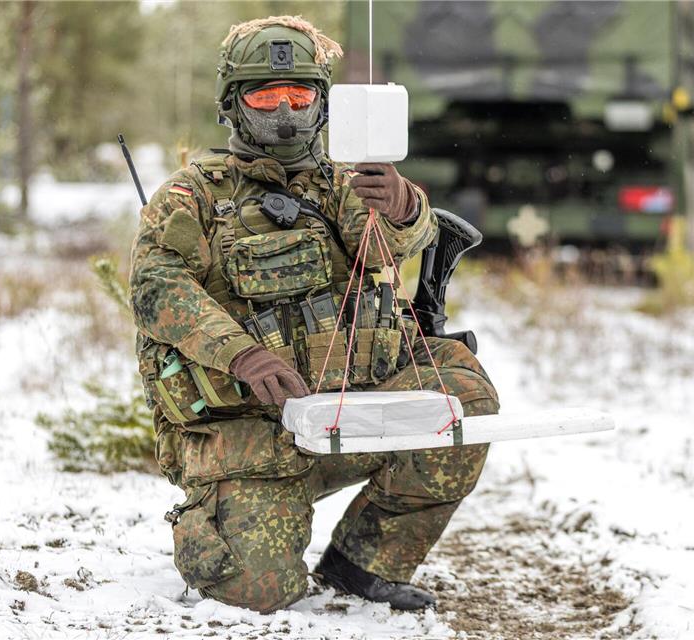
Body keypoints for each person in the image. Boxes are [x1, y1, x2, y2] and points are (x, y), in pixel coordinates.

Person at [129, 15, 499, 614]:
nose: (284, 113)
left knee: (464, 398)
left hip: (351, 414)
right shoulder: (192, 196)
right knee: (258, 592)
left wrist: (403, 205)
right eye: (265, 97)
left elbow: (385, 245)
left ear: (323, 103)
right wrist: (242, 355)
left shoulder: (344, 184)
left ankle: (364, 562)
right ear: (232, 103)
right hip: (252, 437)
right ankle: (224, 515)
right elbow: (156, 287)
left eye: (299, 97)